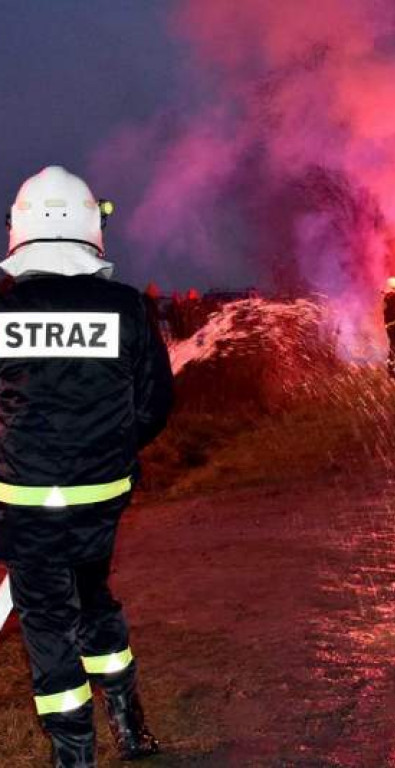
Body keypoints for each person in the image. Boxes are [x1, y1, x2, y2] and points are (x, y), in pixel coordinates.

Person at [0, 167, 174, 766]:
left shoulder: (2, 310)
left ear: (19, 230)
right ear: (90, 229)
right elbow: (153, 407)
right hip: (102, 500)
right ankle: (131, 727)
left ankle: (74, 757)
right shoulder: (128, 308)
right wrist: (109, 450)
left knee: (48, 624)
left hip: (23, 506)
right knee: (93, 595)